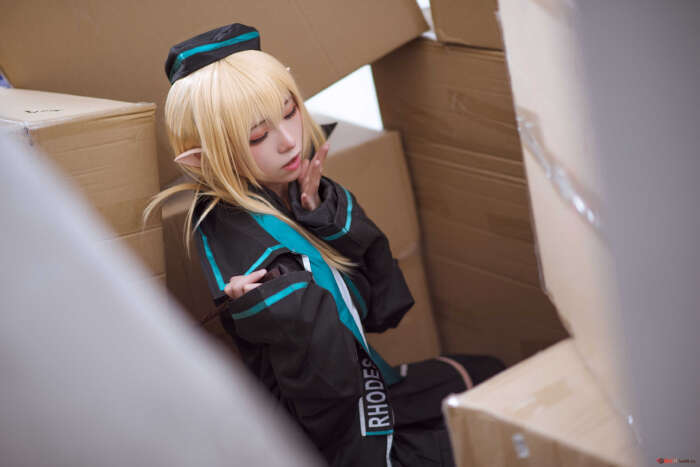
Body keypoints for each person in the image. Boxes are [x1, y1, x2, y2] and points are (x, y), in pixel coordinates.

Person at [146, 23, 504, 467]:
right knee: (497, 442)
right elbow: (328, 394)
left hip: (371, 387)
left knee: (494, 380)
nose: (289, 141)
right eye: (257, 136)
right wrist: (273, 308)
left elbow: (382, 308)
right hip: (336, 435)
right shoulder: (233, 238)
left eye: (290, 111)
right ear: (203, 159)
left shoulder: (295, 191)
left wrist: (324, 216)